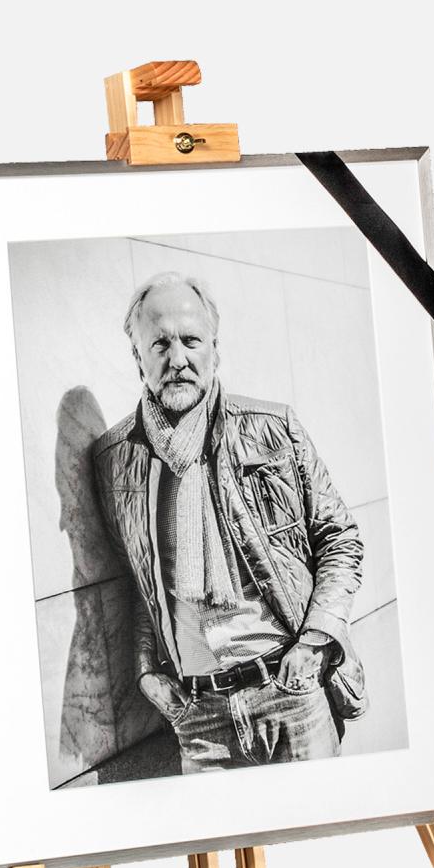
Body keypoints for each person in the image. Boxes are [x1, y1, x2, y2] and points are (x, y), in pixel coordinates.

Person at [91, 270, 367, 773]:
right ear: (138, 358)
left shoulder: (272, 428)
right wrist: (147, 671)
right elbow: (141, 581)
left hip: (291, 691)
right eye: (160, 344)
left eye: (191, 340)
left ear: (214, 350)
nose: (177, 359)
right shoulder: (116, 460)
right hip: (198, 717)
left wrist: (314, 643)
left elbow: (339, 539)